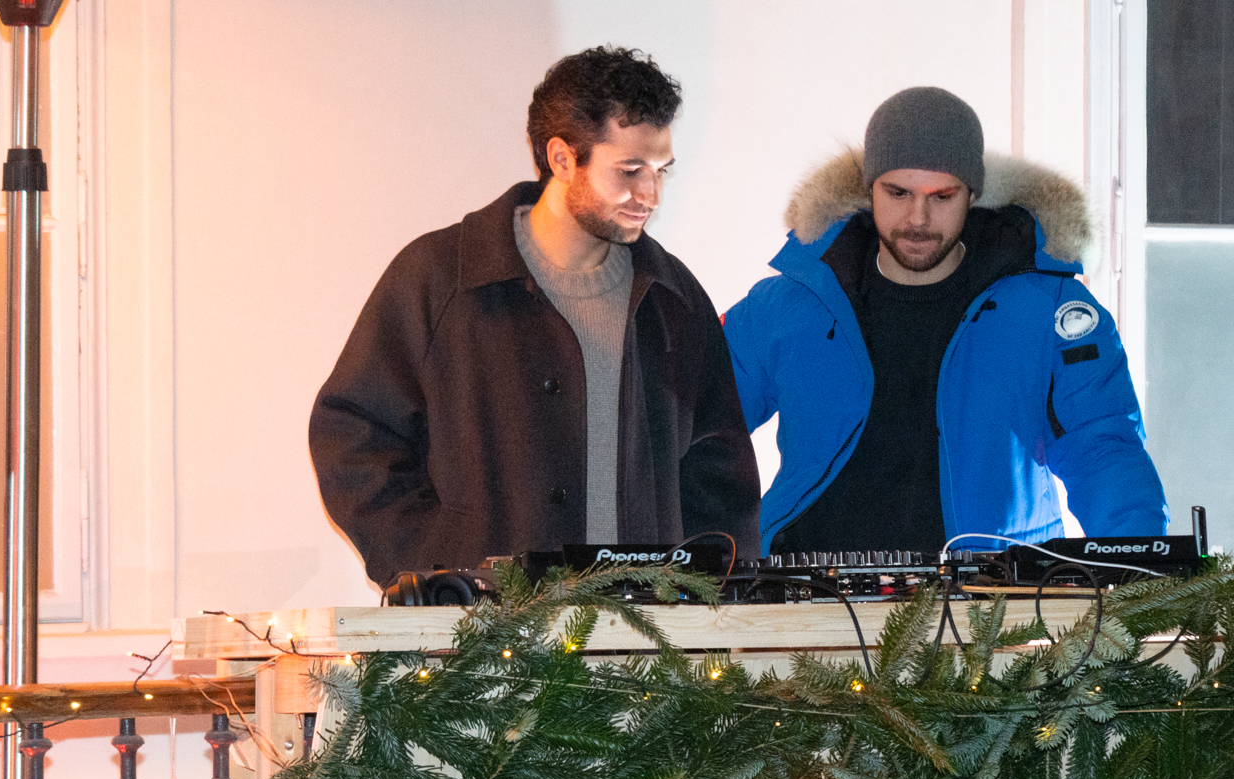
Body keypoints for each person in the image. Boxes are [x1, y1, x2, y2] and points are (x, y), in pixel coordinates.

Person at [310, 47, 759, 586]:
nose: (650, 194)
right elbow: (352, 435)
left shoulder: (674, 298)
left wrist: (700, 591)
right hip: (489, 631)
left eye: (661, 171)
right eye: (630, 170)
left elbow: (720, 468)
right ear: (562, 158)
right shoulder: (442, 278)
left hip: (647, 631)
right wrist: (438, 567)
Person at [725, 87, 1165, 556]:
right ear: (869, 189)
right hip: (809, 587)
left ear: (972, 194)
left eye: (942, 196)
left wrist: (1143, 572)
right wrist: (693, 561)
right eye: (898, 193)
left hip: (992, 591)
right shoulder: (787, 303)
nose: (918, 218)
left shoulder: (1050, 308)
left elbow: (1102, 447)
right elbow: (698, 428)